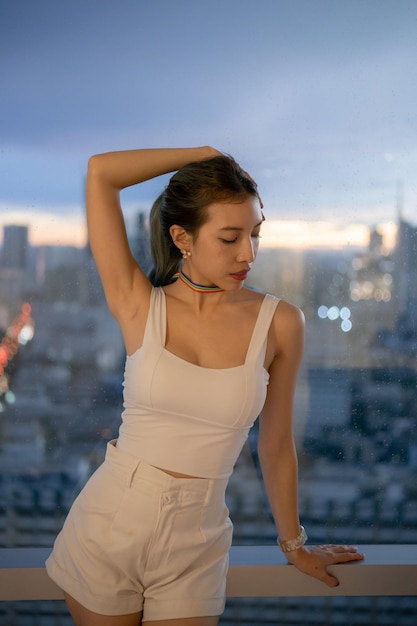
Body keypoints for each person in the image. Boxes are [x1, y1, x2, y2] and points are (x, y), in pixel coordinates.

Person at [46, 146, 364, 626]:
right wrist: (206, 154)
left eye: (255, 234)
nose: (248, 254)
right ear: (183, 238)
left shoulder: (280, 323)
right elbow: (101, 173)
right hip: (109, 523)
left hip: (198, 538)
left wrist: (294, 546)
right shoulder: (139, 305)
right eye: (231, 238)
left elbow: (276, 445)